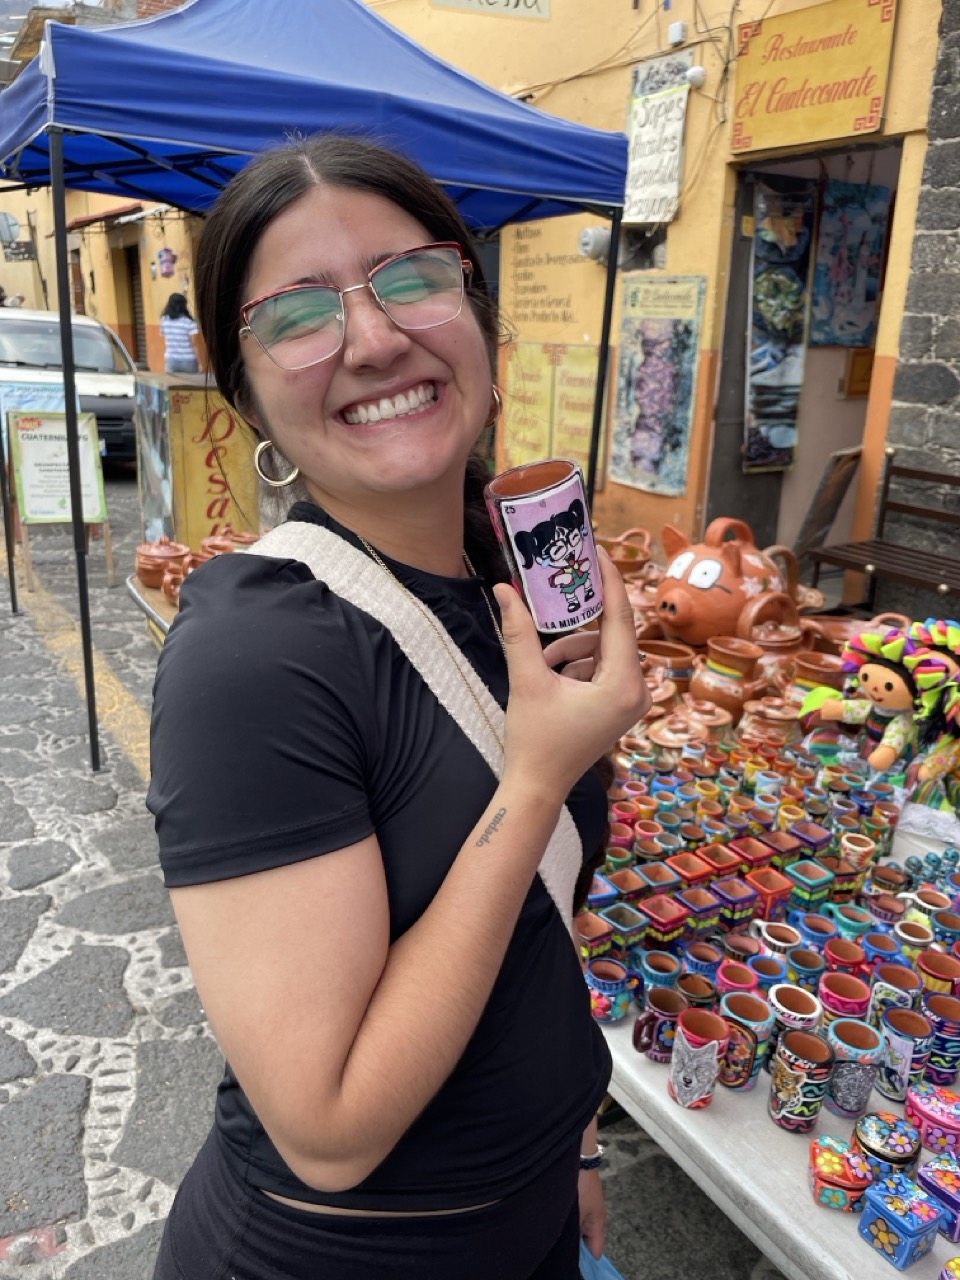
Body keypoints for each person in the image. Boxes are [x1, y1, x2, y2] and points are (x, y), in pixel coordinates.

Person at [146, 133, 648, 1280]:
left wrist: (572, 1145)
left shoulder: (506, 574)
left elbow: (539, 912)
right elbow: (326, 1128)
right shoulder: (253, 654)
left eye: (413, 279)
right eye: (298, 314)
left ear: (480, 324)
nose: (375, 339)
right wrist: (531, 780)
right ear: (250, 395)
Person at [159, 291, 199, 373]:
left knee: (173, 385)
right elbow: (195, 343)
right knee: (192, 385)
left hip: (171, 361)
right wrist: (200, 362)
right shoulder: (189, 322)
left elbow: (165, 338)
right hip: (189, 361)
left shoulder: (164, 320)